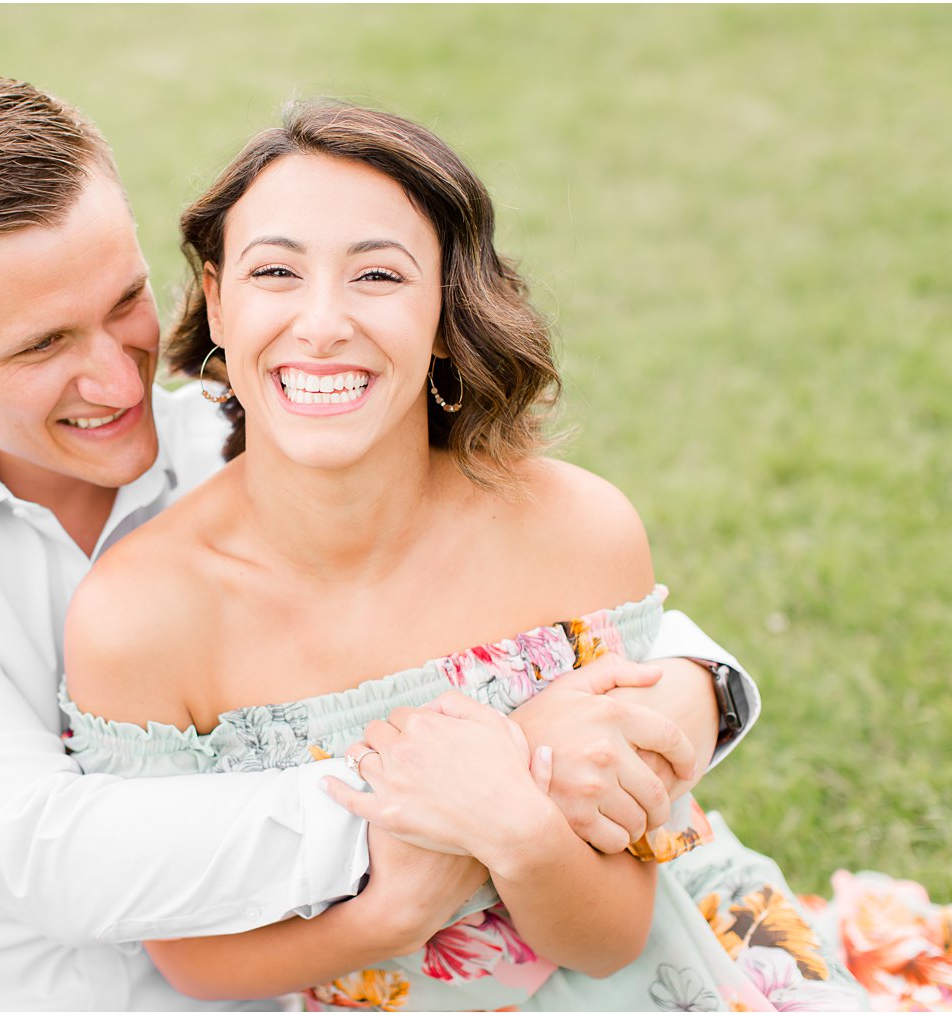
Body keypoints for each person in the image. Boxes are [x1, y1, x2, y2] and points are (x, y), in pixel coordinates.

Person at [0, 76, 762, 1011]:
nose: (114, 377)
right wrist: (475, 791)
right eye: (44, 345)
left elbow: (522, 608)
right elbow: (51, 853)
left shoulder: (216, 438)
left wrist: (689, 684)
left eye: (125, 303)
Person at [61, 102, 872, 1010]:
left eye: (377, 274)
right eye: (276, 271)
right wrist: (394, 910)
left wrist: (518, 828)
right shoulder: (137, 617)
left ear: (446, 305)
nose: (321, 323)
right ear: (218, 299)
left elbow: (611, 937)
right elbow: (193, 957)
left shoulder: (574, 530)